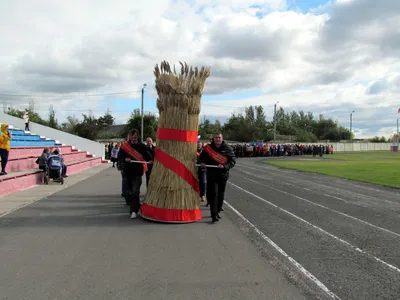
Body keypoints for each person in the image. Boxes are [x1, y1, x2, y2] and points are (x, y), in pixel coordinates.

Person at [198, 132, 236, 223]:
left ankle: (218, 211)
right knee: (214, 193)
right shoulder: (208, 148)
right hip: (211, 174)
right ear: (213, 139)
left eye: (219, 137)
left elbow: (232, 162)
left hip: (223, 175)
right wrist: (202, 163)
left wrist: (224, 167)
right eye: (216, 137)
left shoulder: (227, 148)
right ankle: (213, 214)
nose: (217, 139)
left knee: (220, 194)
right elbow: (201, 159)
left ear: (222, 139)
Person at [118, 129, 152, 219]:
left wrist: (150, 160)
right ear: (129, 137)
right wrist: (125, 159)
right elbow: (119, 157)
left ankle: (133, 211)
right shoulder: (125, 146)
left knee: (135, 191)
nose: (133, 139)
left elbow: (148, 156)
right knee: (126, 192)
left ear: (138, 137)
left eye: (135, 137)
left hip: (137, 173)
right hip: (127, 172)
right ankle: (136, 206)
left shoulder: (142, 146)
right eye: (132, 137)